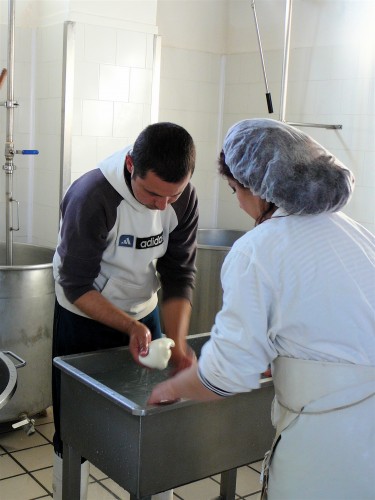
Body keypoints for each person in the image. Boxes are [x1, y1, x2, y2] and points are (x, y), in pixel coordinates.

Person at [148, 118, 375, 499]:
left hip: (330, 442)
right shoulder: (357, 232)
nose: (237, 200)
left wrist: (173, 387)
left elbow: (229, 372)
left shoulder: (258, 248)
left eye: (235, 189)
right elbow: (331, 327)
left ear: (259, 187)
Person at [52, 122, 198, 500]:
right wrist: (130, 328)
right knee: (76, 424)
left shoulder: (180, 197)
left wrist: (178, 342)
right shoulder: (92, 195)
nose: (162, 205)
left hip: (143, 312)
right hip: (82, 316)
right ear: (132, 164)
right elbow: (75, 284)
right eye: (152, 194)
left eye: (173, 195)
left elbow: (179, 274)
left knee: (154, 418)